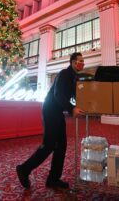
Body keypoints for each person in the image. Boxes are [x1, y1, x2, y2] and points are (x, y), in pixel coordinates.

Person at [16, 52, 86, 189]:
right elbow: (58, 94)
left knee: (61, 146)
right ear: (72, 62)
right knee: (49, 145)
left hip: (57, 112)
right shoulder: (64, 74)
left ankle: (53, 179)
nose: (82, 63)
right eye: (80, 61)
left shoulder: (74, 77)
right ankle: (24, 169)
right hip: (50, 110)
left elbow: (72, 96)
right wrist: (72, 109)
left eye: (83, 61)